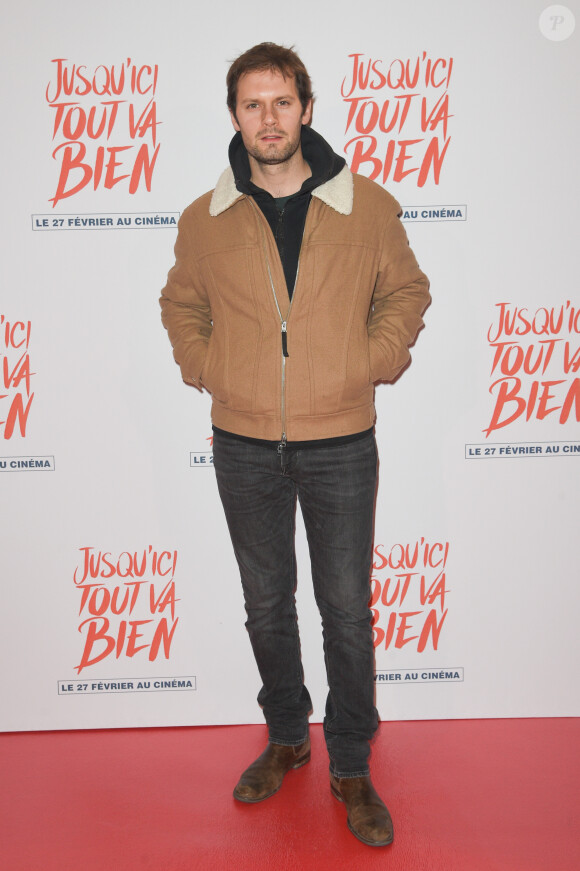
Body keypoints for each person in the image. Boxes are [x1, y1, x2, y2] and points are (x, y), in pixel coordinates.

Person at [160, 42, 430, 847]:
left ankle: (350, 758)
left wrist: (366, 364)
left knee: (347, 610)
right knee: (264, 603)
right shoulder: (205, 219)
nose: (268, 118)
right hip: (243, 442)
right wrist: (211, 370)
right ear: (235, 115)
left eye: (282, 102)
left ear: (306, 109)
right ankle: (286, 737)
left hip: (342, 439)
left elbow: (408, 294)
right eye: (252, 104)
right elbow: (180, 305)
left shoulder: (367, 207)